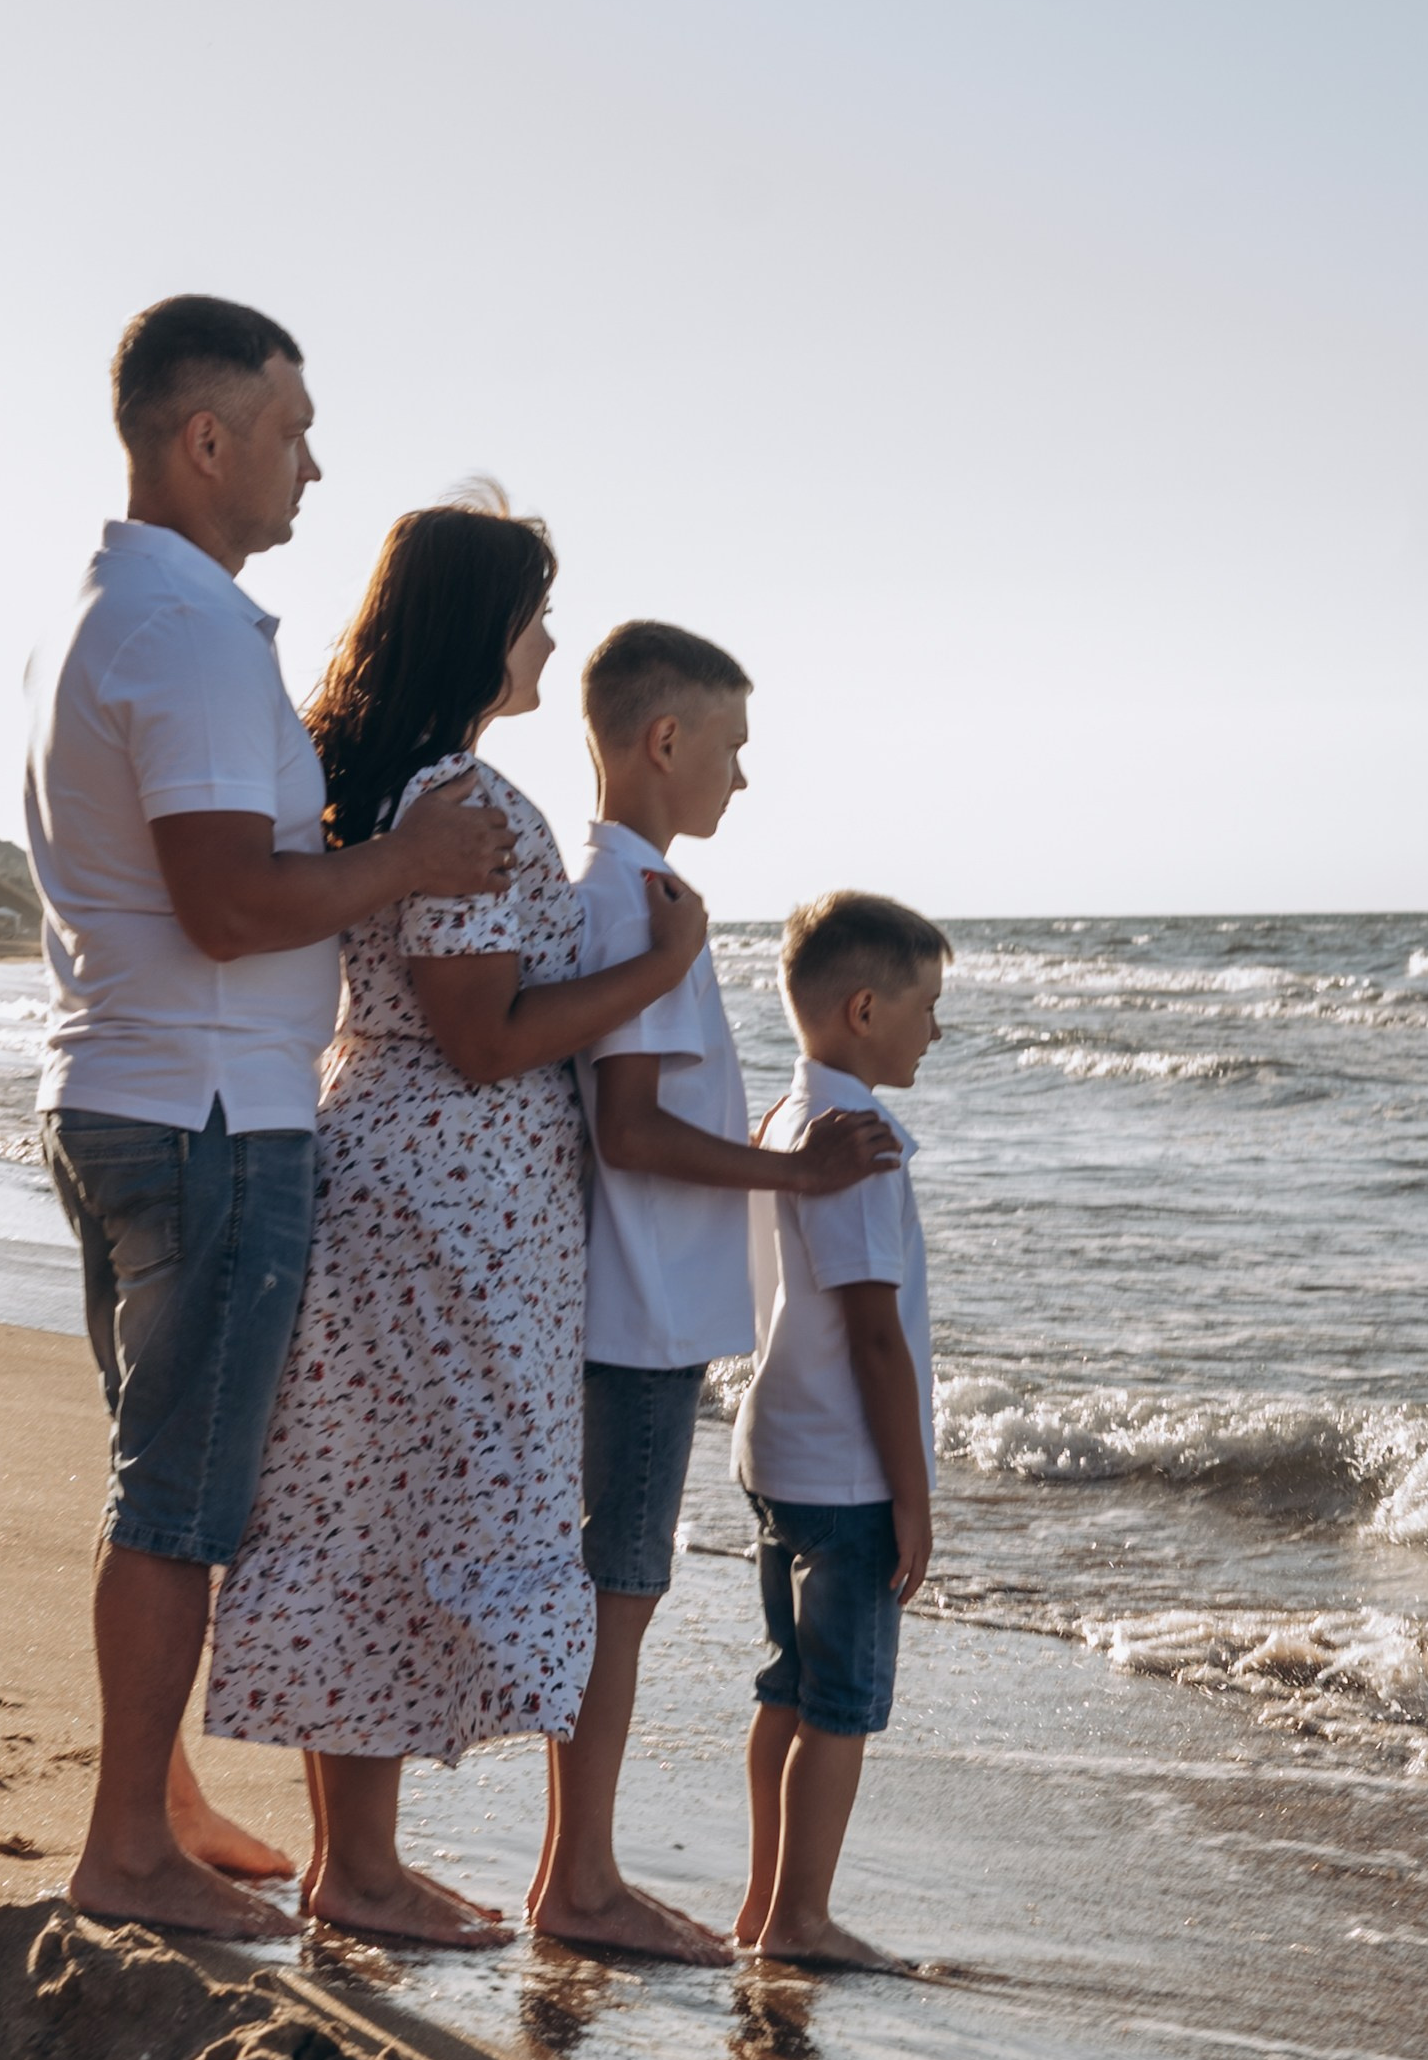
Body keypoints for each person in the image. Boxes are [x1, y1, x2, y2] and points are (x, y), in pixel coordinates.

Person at [27, 295, 515, 1937]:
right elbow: (232, 902)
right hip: (209, 1117)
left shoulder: (117, 613)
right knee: (178, 1504)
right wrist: (410, 867)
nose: (315, 463)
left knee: (158, 1480)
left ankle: (156, 1805)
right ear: (204, 438)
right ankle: (123, 1851)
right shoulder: (174, 631)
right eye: (292, 429)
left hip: (128, 1091)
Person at [205, 501, 712, 1943]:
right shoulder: (469, 806)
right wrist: (661, 967)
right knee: (413, 1505)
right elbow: (483, 1036)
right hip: (449, 1199)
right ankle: (358, 1872)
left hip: (402, 1177)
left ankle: (353, 1864)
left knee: (368, 1503)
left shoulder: (387, 786)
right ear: (482, 626)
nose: (549, 637)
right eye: (533, 610)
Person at [529, 623, 900, 1958]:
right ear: (663, 741)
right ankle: (578, 1883)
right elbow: (627, 1128)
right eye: (730, 749)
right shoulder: (633, 904)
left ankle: (577, 1873)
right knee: (616, 1596)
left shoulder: (638, 896)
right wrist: (793, 1183)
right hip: (633, 1312)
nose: (742, 780)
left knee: (615, 1588)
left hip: (643, 1302)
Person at [733, 889, 951, 1967]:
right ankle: (800, 1919)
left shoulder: (782, 1122)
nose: (937, 1028)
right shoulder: (857, 1145)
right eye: (927, 1005)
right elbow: (875, 1339)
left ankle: (763, 1903)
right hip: (846, 1473)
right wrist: (913, 1497)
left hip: (776, 1449)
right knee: (843, 1704)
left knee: (788, 1686)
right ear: (864, 1009)